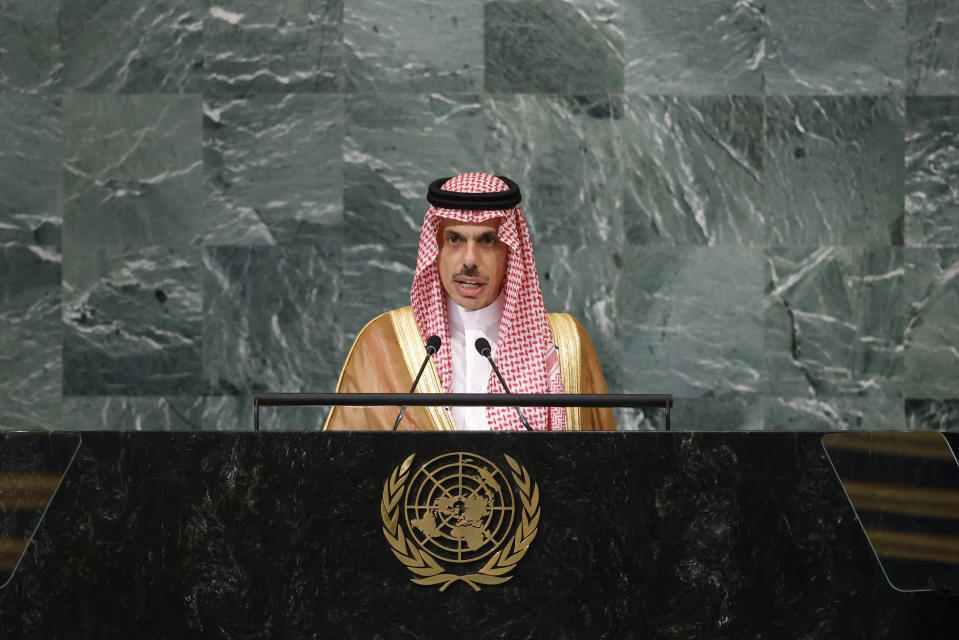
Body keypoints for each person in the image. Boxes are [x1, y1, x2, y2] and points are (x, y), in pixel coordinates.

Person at [324, 172, 615, 431]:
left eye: (487, 241)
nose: (470, 261)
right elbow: (342, 470)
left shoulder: (562, 345)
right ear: (435, 247)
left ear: (510, 253)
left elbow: (604, 471)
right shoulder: (385, 343)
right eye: (454, 240)